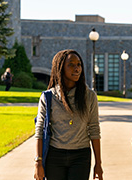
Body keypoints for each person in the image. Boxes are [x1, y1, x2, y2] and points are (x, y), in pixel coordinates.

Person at [34, 49, 103, 180]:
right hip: (54, 156)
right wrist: (38, 162)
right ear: (60, 68)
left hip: (81, 156)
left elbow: (94, 129)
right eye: (71, 64)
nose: (76, 68)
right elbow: (39, 131)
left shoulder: (89, 96)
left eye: (79, 65)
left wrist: (98, 164)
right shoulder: (48, 97)